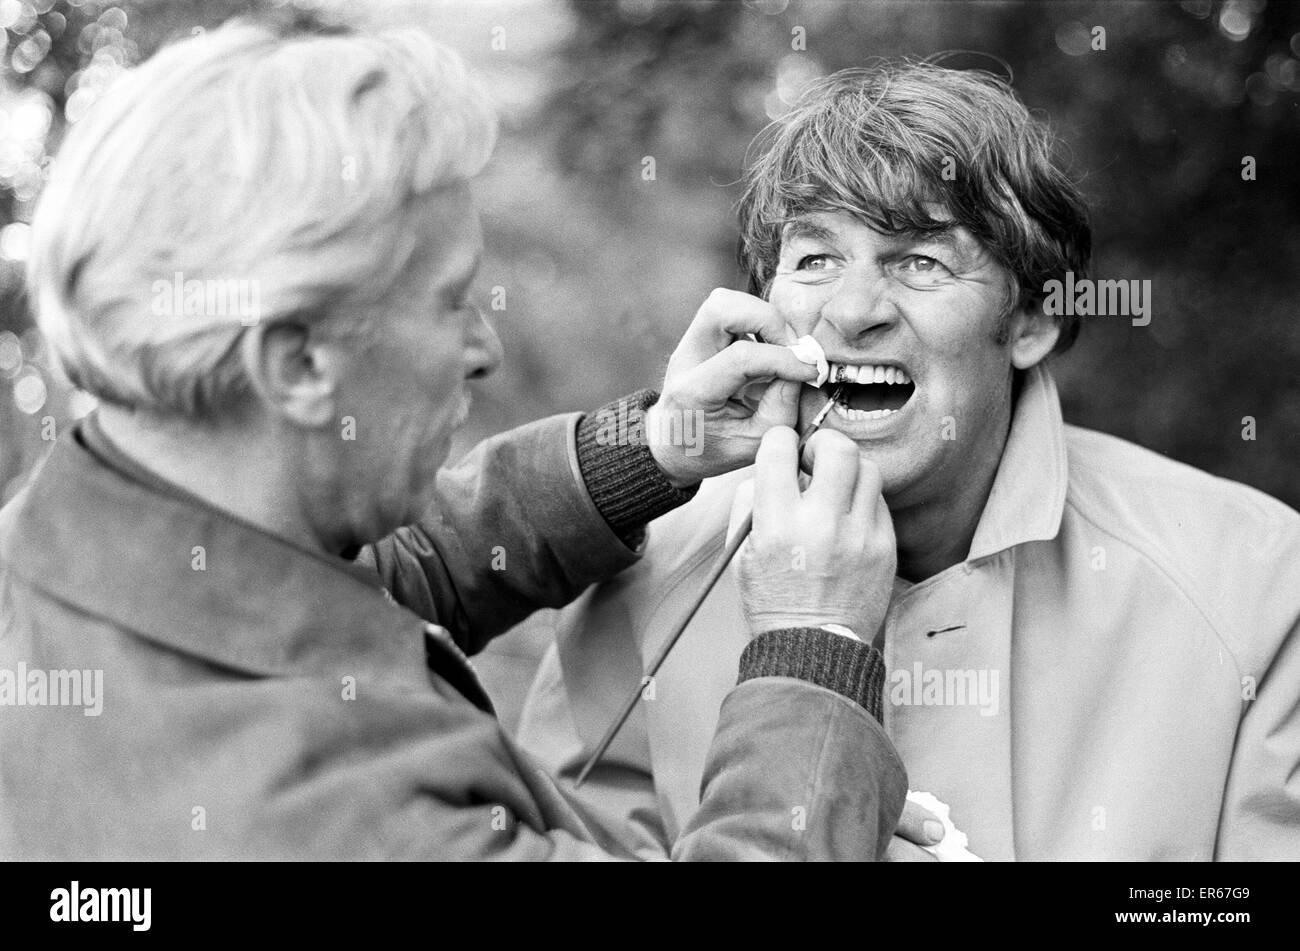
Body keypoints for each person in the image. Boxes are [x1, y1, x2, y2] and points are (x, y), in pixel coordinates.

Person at [0, 21, 907, 860]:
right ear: (298, 363)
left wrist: (645, 450)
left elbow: (360, 590)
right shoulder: (314, 813)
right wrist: (812, 651)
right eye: (448, 301)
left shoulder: (92, 554)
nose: (486, 346)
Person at [517, 62, 1300, 861]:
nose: (854, 312)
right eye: (816, 259)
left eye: (921, 261)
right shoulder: (641, 580)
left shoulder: (1259, 584)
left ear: (1029, 319)